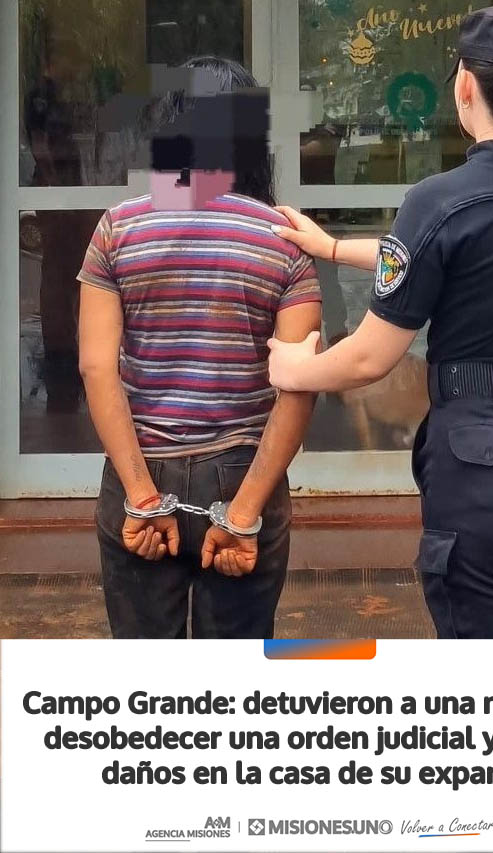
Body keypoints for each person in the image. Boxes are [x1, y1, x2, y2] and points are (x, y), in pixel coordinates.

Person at [267, 4, 493, 640]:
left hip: (490, 467)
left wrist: (294, 368)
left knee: (491, 684)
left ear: (466, 85)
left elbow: (370, 357)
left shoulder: (437, 200)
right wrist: (333, 247)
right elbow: (470, 249)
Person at [78, 57, 321, 639]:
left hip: (140, 469)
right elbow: (298, 387)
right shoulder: (285, 240)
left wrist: (142, 497)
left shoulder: (118, 227)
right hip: (243, 475)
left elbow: (95, 366)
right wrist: (244, 512)